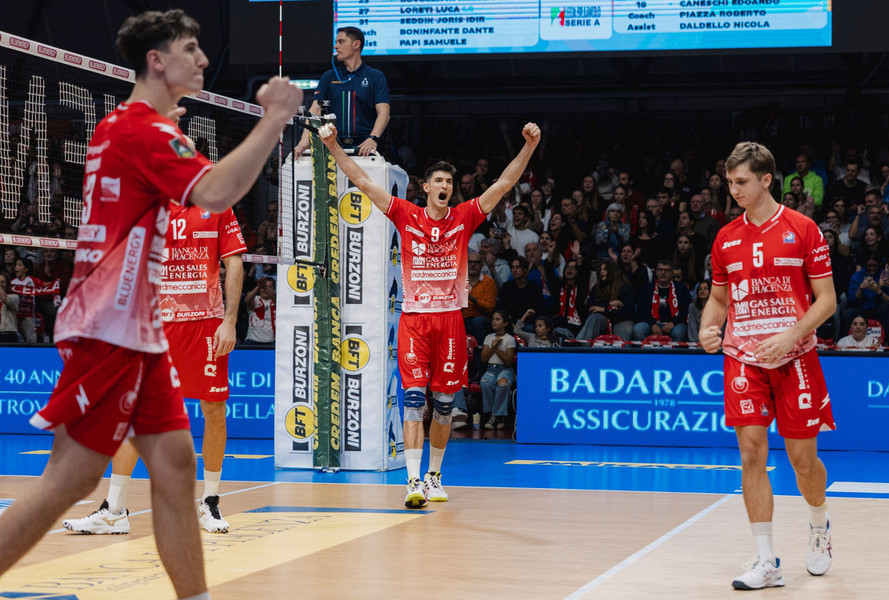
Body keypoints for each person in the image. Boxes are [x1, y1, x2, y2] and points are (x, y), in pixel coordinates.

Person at [0, 10, 303, 599]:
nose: (204, 59)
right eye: (191, 49)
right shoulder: (145, 131)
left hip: (140, 330)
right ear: (157, 61)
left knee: (174, 465)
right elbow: (215, 191)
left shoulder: (125, 125)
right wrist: (273, 121)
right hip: (112, 325)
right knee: (72, 480)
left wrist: (168, 124)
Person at [318, 119, 540, 508]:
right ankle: (413, 481)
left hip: (451, 321)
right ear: (426, 187)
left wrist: (528, 147)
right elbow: (363, 182)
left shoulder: (464, 216)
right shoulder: (405, 214)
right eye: (439, 181)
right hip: (415, 320)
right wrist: (335, 147)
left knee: (442, 406)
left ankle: (435, 476)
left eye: (449, 184)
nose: (445, 188)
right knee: (413, 400)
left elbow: (503, 185)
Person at [61, 201, 246, 535]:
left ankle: (210, 502)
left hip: (204, 323)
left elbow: (233, 262)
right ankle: (115, 510)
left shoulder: (218, 205)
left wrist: (230, 322)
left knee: (214, 411)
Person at [699, 141, 836, 591]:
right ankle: (765, 560)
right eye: (729, 182)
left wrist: (790, 335)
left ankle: (819, 524)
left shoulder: (804, 229)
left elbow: (827, 301)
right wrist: (707, 327)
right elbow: (719, 298)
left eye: (741, 182)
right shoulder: (725, 238)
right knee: (751, 454)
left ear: (765, 180)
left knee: (803, 462)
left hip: (795, 358)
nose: (733, 189)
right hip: (743, 360)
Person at [293, 26, 389, 157]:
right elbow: (315, 110)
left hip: (365, 147)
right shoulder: (329, 76)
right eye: (336, 42)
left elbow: (384, 113)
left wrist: (373, 139)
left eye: (341, 42)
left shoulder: (375, 76)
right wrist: (304, 141)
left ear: (356, 44)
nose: (336, 46)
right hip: (334, 146)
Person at [576, 259, 635, 341]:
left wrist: (603, 309)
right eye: (601, 270)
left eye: (605, 269)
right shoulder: (596, 288)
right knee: (594, 317)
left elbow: (628, 312)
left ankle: (621, 353)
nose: (601, 272)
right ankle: (581, 347)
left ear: (613, 271)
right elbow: (591, 307)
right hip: (602, 319)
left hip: (621, 320)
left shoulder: (626, 288)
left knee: (625, 330)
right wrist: (608, 305)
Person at [634, 258, 691, 342]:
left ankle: (674, 355)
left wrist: (673, 323)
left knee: (679, 332)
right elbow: (641, 310)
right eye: (660, 270)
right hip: (651, 323)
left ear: (672, 273)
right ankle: (645, 355)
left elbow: (686, 310)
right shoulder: (647, 288)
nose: (663, 272)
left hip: (674, 324)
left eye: (667, 270)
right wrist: (653, 324)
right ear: (656, 272)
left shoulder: (681, 288)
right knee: (638, 330)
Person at [480, 310, 517, 430]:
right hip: (491, 368)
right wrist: (493, 345)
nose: (494, 322)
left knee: (503, 384)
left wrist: (496, 348)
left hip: (504, 369)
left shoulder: (509, 339)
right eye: (493, 319)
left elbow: (508, 361)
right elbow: (484, 358)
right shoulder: (489, 337)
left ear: (505, 323)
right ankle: (495, 415)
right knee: (485, 383)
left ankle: (496, 416)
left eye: (497, 319)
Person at [461, 248, 496, 344]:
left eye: (476, 262)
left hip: (483, 320)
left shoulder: (488, 282)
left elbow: (489, 308)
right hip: (464, 318)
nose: (472, 265)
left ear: (481, 265)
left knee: (477, 321)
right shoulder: (459, 280)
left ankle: (481, 351)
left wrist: (474, 300)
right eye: (470, 262)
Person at [244, 276, 276, 344]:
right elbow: (247, 300)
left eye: (268, 287)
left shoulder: (276, 301)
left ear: (274, 289)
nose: (264, 289)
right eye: (263, 287)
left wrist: (264, 287)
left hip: (271, 342)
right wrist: (258, 286)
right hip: (252, 341)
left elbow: (276, 299)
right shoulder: (255, 299)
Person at [0, 272, 20, 343]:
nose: (1, 284)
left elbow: (5, 299)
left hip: (7, 334)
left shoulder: (14, 297)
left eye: (3, 282)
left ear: (8, 284)